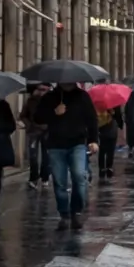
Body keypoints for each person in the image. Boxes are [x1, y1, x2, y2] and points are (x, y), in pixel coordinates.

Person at [43, 83, 99, 226]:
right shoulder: (50, 97)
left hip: (77, 144)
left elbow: (92, 119)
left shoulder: (82, 96)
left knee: (79, 176)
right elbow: (38, 117)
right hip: (56, 145)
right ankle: (64, 214)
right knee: (59, 181)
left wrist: (93, 140)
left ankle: (76, 211)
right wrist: (54, 112)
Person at [21, 83, 53, 186]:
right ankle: (33, 177)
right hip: (34, 131)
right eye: (40, 89)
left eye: (45, 89)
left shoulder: (52, 100)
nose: (42, 91)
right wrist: (29, 125)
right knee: (33, 155)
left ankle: (45, 177)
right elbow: (23, 115)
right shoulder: (31, 100)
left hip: (47, 131)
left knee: (46, 155)